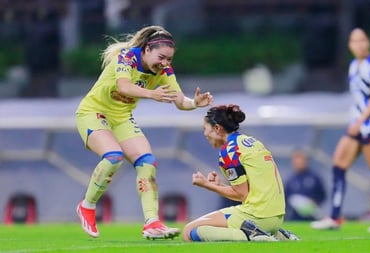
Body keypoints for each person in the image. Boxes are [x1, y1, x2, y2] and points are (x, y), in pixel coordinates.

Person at [75, 25, 213, 239]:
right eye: (162, 57)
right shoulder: (127, 57)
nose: (165, 63)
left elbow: (179, 101)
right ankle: (87, 205)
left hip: (121, 117)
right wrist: (152, 94)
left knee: (147, 162)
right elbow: (124, 87)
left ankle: (151, 222)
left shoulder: (164, 71)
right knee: (113, 157)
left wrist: (195, 103)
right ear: (147, 50)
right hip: (93, 112)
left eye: (169, 59)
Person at [310, 28, 370, 232]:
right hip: (356, 125)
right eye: (354, 41)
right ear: (350, 45)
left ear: (368, 42)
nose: (359, 45)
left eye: (362, 40)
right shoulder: (353, 66)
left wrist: (361, 120)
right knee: (339, 164)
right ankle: (334, 216)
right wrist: (354, 121)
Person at [182, 104, 299, 242]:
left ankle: (252, 235)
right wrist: (221, 186)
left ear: (217, 128)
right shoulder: (251, 141)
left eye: (205, 129)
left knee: (189, 232)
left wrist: (206, 185)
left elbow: (241, 194)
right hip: (277, 215)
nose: (205, 134)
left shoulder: (229, 151)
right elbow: (249, 192)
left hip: (258, 215)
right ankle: (277, 234)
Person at [285, 149, 326, 221]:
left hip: (311, 216)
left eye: (300, 160)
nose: (298, 163)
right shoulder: (290, 180)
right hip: (294, 217)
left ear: (305, 161)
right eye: (296, 160)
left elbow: (322, 195)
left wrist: (315, 201)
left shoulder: (314, 177)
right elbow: (286, 198)